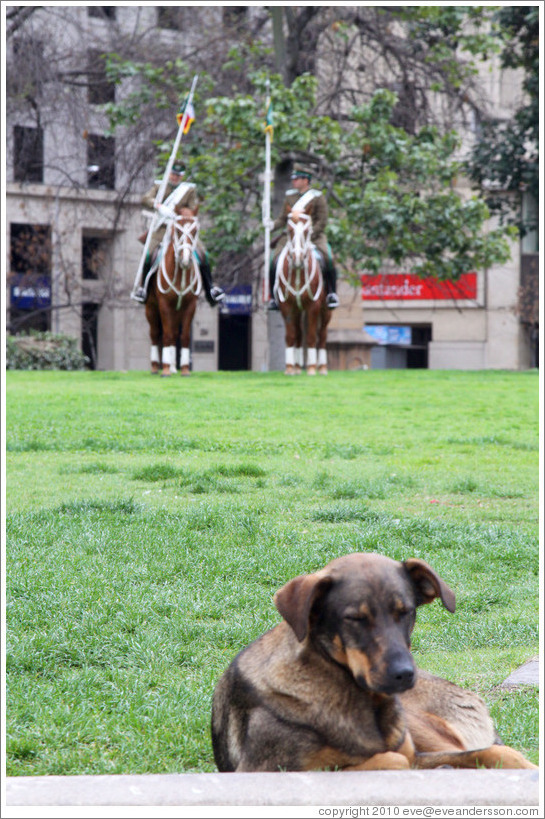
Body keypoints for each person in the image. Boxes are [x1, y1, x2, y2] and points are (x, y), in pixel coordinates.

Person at [132, 162, 225, 306]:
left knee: (203, 253)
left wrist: (182, 214)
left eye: (178, 175)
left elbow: (193, 208)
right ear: (169, 174)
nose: (175, 178)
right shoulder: (159, 186)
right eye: (173, 174)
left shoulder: (188, 190)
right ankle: (143, 288)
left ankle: (210, 289)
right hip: (162, 229)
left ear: (182, 176)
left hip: (181, 229)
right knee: (149, 254)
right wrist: (158, 206)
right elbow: (145, 199)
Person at [268, 164, 339, 310]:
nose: (294, 181)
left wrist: (309, 234)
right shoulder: (290, 196)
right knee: (273, 260)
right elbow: (283, 218)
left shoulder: (317, 197)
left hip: (314, 236)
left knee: (328, 258)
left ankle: (331, 293)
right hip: (292, 237)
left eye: (297, 179)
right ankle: (273, 297)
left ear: (305, 180)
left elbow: (322, 220)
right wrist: (271, 225)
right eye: (293, 179)